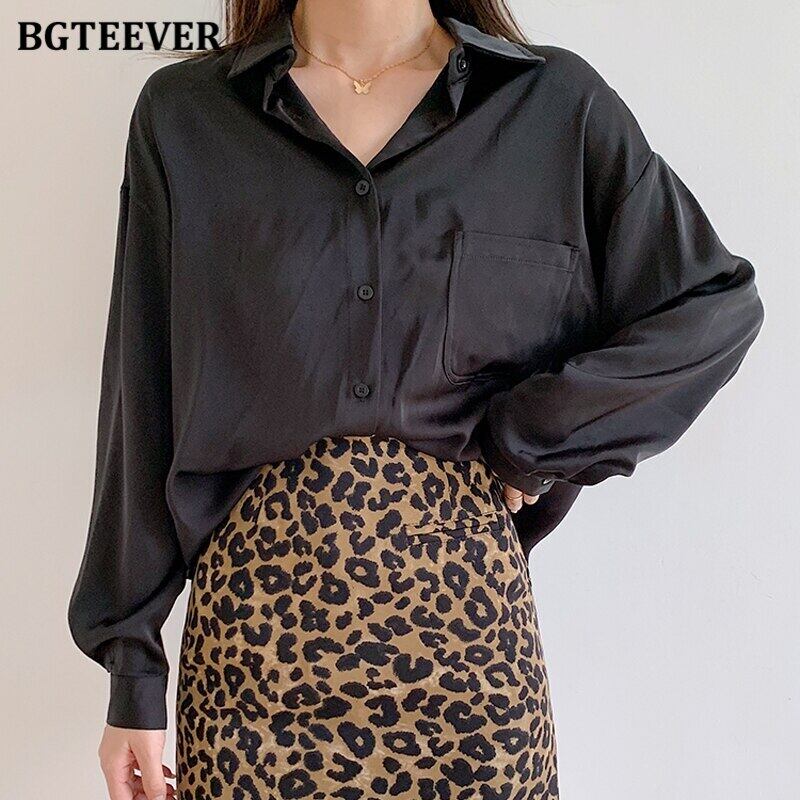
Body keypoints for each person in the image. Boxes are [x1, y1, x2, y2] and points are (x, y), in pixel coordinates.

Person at [67, 1, 765, 798]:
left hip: (473, 675)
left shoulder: (554, 108)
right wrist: (132, 672)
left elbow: (711, 309)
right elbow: (142, 396)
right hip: (252, 662)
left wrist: (531, 436)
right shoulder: (186, 117)